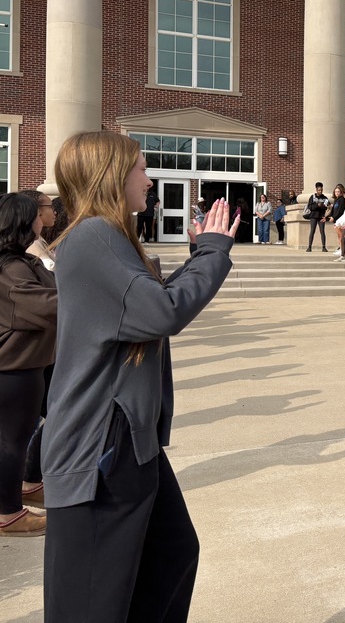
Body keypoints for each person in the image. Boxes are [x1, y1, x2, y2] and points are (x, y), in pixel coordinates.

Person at [42, 130, 238, 622]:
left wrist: (200, 257)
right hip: (101, 446)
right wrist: (212, 254)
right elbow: (161, 313)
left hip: (130, 437)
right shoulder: (93, 237)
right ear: (112, 177)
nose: (149, 181)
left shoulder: (109, 240)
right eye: (140, 169)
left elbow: (144, 307)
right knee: (91, 603)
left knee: (171, 557)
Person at [0, 193, 57, 538]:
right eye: (41, 211)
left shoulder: (21, 261)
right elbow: (47, 306)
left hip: (32, 363)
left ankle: (28, 484)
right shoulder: (11, 268)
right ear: (26, 219)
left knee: (23, 433)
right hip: (14, 368)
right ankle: (8, 513)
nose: (45, 216)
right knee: (11, 440)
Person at [305, 182, 330, 252]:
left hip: (321, 216)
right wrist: (317, 205)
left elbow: (327, 206)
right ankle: (309, 247)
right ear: (316, 190)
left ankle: (324, 247)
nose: (320, 191)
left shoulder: (325, 198)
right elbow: (309, 206)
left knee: (322, 231)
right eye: (319, 190)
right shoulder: (312, 197)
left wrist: (324, 206)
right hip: (313, 216)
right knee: (312, 231)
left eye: (321, 190)